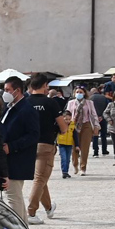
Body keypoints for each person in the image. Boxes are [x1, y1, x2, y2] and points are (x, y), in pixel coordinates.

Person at [26, 75, 67, 220]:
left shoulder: (25, 102)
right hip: (45, 144)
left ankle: (49, 207)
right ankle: (31, 212)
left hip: (27, 145)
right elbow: (63, 127)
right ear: (44, 85)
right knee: (40, 179)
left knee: (41, 178)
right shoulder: (51, 103)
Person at [0, 77, 38, 222]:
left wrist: (12, 146)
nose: (5, 93)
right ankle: (23, 227)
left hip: (17, 159)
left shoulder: (26, 109)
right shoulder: (10, 107)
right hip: (8, 158)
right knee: (16, 196)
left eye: (8, 90)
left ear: (17, 91)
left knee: (13, 196)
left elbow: (33, 135)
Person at [66, 88, 99, 176]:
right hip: (74, 126)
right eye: (77, 92)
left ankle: (83, 167)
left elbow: (94, 114)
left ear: (84, 93)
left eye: (81, 92)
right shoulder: (71, 103)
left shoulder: (89, 103)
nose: (79, 93)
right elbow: (67, 114)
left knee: (85, 147)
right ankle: (75, 164)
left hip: (86, 125)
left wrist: (96, 126)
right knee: (74, 146)